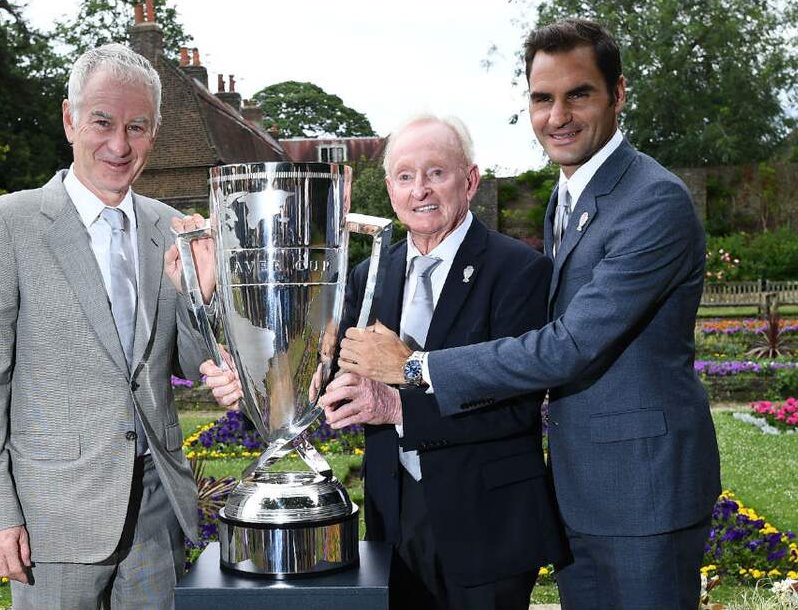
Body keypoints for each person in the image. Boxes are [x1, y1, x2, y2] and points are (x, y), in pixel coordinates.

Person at [337, 19, 721, 610]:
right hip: (577, 492)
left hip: (643, 491)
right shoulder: (569, 198)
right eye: (543, 98)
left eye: (579, 94)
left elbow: (567, 345)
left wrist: (414, 370)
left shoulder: (653, 200)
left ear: (618, 94)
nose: (558, 115)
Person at [203, 115, 567, 610]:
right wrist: (255, 386)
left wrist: (398, 409)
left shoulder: (520, 271)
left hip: (487, 526)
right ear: (390, 189)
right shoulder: (371, 274)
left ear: (471, 180)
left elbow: (518, 409)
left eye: (436, 173)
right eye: (404, 176)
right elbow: (326, 381)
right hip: (393, 523)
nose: (420, 190)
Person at [0, 44, 214, 610]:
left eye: (137, 127)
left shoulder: (171, 228)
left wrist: (201, 294)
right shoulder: (8, 224)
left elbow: (195, 366)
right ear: (70, 118)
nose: (119, 145)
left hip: (156, 510)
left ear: (155, 131)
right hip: (51, 522)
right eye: (102, 121)